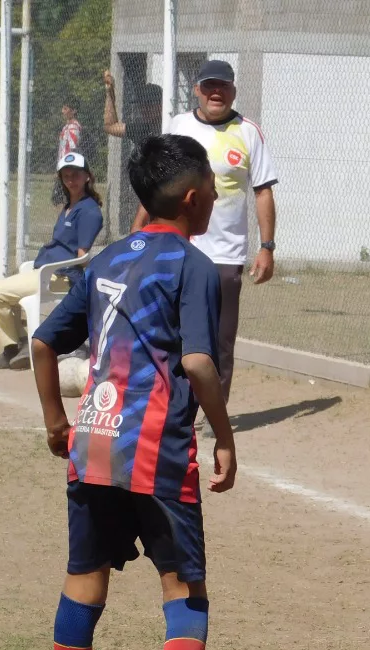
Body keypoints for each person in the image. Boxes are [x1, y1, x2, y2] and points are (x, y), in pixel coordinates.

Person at [30, 133, 233, 650]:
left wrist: (56, 422)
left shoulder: (108, 257)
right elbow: (199, 363)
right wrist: (223, 434)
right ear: (197, 198)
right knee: (184, 590)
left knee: (83, 583)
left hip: (91, 442)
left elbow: (41, 342)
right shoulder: (194, 265)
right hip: (157, 452)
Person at [136, 59, 277, 403]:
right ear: (197, 89)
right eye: (209, 85)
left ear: (233, 91)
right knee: (168, 331)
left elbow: (263, 191)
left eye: (223, 86)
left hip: (225, 255)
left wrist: (267, 246)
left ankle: (214, 410)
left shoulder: (248, 131)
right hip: (174, 248)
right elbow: (159, 182)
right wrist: (139, 227)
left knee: (219, 340)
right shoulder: (179, 125)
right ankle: (170, 401)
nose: (217, 92)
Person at [0, 152, 104, 371]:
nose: (70, 180)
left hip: (59, 276)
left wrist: (88, 285)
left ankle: (17, 346)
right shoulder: (69, 207)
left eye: (76, 174)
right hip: (45, 272)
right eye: (66, 176)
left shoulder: (89, 211)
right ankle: (17, 346)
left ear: (87, 177)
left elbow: (82, 255)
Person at [103, 71, 162, 235]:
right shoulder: (143, 129)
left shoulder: (173, 127)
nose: (144, 109)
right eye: (141, 105)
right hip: (148, 192)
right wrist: (110, 93)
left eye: (149, 104)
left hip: (168, 192)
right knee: (139, 232)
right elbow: (110, 126)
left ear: (162, 105)